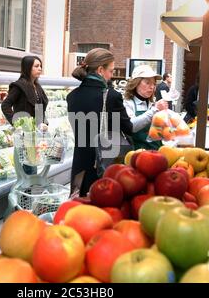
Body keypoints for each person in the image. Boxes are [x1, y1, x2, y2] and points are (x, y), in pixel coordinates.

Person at [67, 48, 133, 196]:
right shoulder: (112, 97)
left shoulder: (72, 96)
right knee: (102, 210)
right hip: (104, 165)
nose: (111, 76)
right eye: (111, 71)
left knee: (79, 208)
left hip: (80, 166)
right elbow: (128, 128)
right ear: (100, 70)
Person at [1, 56, 49, 174]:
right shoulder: (19, 86)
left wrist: (43, 122)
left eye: (40, 66)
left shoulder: (37, 87)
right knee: (29, 170)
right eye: (36, 66)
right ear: (28, 68)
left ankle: (30, 190)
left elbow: (39, 108)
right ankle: (27, 191)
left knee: (33, 168)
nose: (40, 69)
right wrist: (17, 123)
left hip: (35, 135)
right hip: (24, 136)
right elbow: (5, 105)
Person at [123, 65, 169, 150]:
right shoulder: (128, 104)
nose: (152, 87)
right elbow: (131, 126)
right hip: (137, 155)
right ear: (136, 83)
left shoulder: (153, 103)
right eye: (147, 83)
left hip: (158, 153)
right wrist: (154, 110)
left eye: (154, 84)